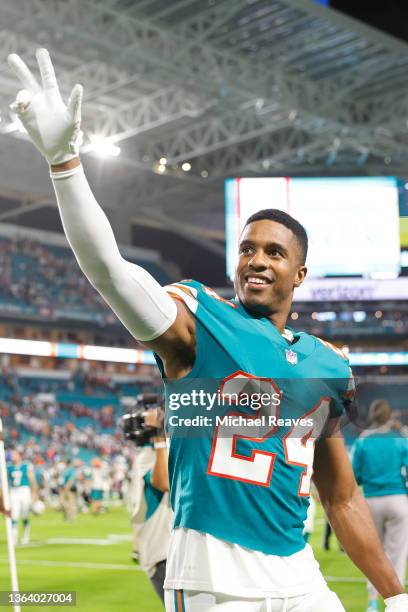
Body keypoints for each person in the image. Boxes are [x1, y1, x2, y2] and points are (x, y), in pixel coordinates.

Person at [6, 48, 408, 611]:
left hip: (300, 578)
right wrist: (65, 164)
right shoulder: (200, 321)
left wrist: (395, 594)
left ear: (301, 272)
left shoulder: (327, 365)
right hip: (215, 583)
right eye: (246, 249)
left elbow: (341, 498)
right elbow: (111, 272)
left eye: (274, 251)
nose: (257, 260)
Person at [351, 399, 408, 612]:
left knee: (374, 554)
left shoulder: (363, 440)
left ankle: (373, 602)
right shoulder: (400, 439)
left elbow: (353, 476)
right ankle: (397, 605)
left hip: (371, 501)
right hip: (398, 500)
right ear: (389, 415)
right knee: (398, 556)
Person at [130, 408, 172, 603]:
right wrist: (160, 438)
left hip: (167, 548)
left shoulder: (151, 452)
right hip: (161, 551)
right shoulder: (148, 454)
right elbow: (163, 482)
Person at [7, 451, 37, 544]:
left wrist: (34, 492)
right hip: (13, 491)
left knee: (25, 513)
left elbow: (32, 479)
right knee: (14, 514)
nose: (13, 457)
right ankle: (14, 536)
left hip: (24, 490)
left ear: (19, 456)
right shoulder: (9, 467)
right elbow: (6, 481)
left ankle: (25, 535)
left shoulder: (25, 466)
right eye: (12, 455)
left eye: (15, 455)